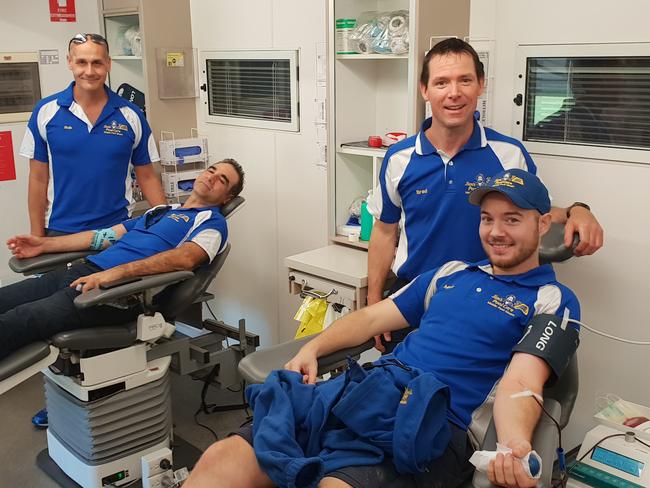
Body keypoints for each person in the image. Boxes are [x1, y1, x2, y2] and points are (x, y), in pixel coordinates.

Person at [184, 169, 581, 488]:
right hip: (362, 391)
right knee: (222, 459)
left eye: (512, 219)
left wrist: (513, 445)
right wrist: (313, 349)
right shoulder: (450, 273)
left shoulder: (553, 300)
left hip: (430, 422)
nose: (496, 232)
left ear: (543, 223)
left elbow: (522, 382)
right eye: (487, 218)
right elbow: (372, 317)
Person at [365, 37, 602, 352]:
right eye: (441, 82)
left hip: (487, 306)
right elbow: (383, 233)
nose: (454, 92)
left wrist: (578, 210)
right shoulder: (398, 158)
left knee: (473, 397)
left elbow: (537, 215)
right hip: (412, 304)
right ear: (425, 90)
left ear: (480, 85)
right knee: (401, 390)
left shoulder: (508, 154)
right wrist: (372, 303)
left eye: (465, 80)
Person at [1, 160, 244, 361]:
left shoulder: (212, 224)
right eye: (211, 170)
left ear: (227, 197)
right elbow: (101, 237)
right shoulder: (161, 211)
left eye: (222, 179)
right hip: (82, 273)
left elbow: (185, 259)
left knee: (20, 318)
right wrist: (43, 244)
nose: (212, 177)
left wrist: (115, 274)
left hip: (115, 295)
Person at [19, 33, 166, 238]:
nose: (89, 71)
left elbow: (147, 177)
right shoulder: (45, 112)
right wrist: (37, 237)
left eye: (97, 63)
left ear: (108, 64)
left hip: (116, 230)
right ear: (70, 62)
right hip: (60, 230)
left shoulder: (131, 115)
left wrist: (167, 224)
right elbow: (37, 179)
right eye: (82, 62)